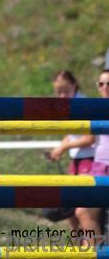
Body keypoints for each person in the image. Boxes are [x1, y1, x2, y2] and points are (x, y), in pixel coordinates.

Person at [47, 70, 95, 233]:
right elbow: (72, 134)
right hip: (76, 161)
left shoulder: (83, 105)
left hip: (90, 161)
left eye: (66, 91)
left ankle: (91, 244)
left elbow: (90, 138)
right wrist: (59, 148)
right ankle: (78, 244)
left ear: (75, 85)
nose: (62, 96)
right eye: (58, 92)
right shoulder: (70, 105)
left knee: (82, 211)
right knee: (70, 211)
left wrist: (64, 147)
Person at [73, 69, 109, 240]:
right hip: (99, 166)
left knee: (85, 211)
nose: (105, 87)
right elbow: (88, 137)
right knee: (83, 211)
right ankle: (95, 248)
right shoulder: (96, 108)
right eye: (101, 84)